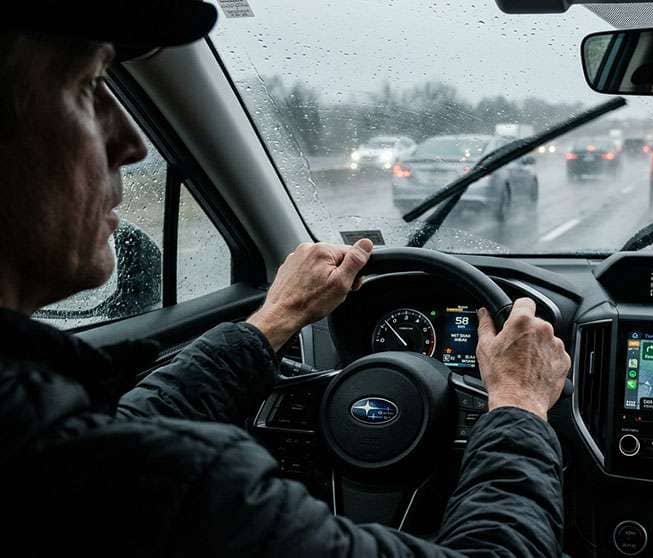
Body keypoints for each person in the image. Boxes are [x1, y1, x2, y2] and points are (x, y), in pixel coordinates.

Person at [0, 2, 571, 556]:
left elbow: (120, 432)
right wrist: (519, 403)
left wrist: (276, 320)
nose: (134, 143)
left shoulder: (58, 453)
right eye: (88, 85)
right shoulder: (175, 490)